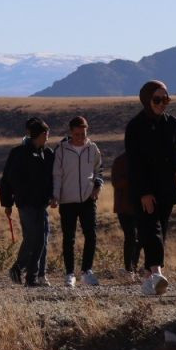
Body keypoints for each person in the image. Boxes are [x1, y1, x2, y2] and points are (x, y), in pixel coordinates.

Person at [125, 82, 176, 297]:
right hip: (143, 189)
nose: (163, 104)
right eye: (157, 100)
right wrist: (144, 192)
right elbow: (133, 162)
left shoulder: (173, 123)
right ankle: (157, 273)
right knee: (151, 230)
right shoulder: (135, 126)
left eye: (166, 99)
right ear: (146, 100)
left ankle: (149, 280)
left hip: (166, 187)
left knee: (160, 232)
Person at [0, 118, 55, 288]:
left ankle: (31, 277)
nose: (48, 136)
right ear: (42, 134)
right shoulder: (19, 153)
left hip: (41, 204)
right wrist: (7, 203)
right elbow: (8, 179)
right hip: (26, 203)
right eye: (46, 133)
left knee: (41, 239)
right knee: (34, 239)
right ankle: (18, 269)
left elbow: (51, 179)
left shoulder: (47, 154)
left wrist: (52, 195)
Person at [53, 117, 103, 288]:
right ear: (70, 133)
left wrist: (97, 187)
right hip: (67, 200)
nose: (80, 137)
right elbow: (57, 174)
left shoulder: (93, 148)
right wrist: (55, 195)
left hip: (88, 199)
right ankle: (69, 274)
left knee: (91, 235)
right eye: (77, 134)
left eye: (83, 134)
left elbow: (99, 170)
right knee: (69, 238)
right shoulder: (61, 150)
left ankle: (87, 271)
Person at [111, 153, 140, 279]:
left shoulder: (143, 158)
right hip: (124, 206)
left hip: (140, 206)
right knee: (131, 236)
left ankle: (134, 266)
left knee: (140, 237)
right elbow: (116, 183)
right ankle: (129, 269)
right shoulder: (120, 160)